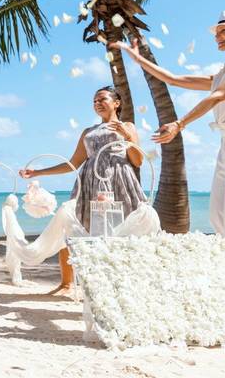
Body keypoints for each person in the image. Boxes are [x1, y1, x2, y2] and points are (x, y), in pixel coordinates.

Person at [115, 10, 225, 298]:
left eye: (223, 32)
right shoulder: (223, 72)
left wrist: (180, 123)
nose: (217, 37)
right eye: (216, 33)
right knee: (219, 215)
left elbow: (218, 96)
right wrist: (139, 60)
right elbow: (175, 79)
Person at [18, 87, 145, 295]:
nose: (97, 103)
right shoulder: (88, 132)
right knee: (72, 226)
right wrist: (37, 173)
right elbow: (73, 163)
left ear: (116, 103)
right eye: (94, 100)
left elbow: (137, 161)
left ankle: (120, 285)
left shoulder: (128, 126)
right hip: (89, 183)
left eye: (102, 99)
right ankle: (66, 284)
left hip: (120, 182)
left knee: (120, 232)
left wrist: (127, 136)